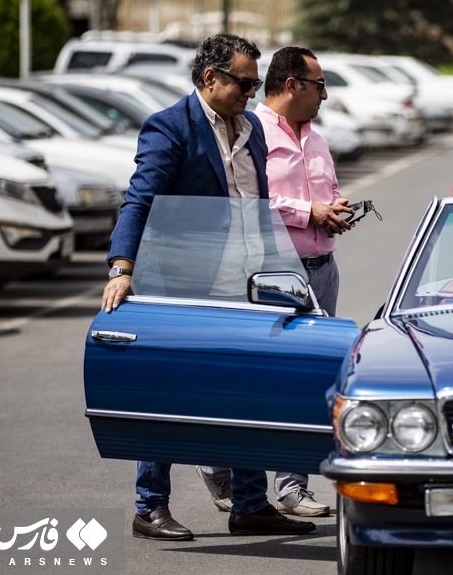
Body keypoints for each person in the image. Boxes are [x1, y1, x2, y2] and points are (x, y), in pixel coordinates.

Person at [101, 32, 316, 540]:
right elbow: (140, 200)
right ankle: (149, 507)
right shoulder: (169, 128)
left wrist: (281, 277)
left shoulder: (254, 130)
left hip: (246, 285)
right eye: (243, 82)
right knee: (165, 394)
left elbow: (258, 205)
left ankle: (249, 504)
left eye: (254, 82)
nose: (251, 91)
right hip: (181, 286)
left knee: (246, 393)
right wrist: (121, 267)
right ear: (209, 78)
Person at [196, 46, 353, 519]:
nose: (325, 95)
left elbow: (328, 190)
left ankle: (291, 486)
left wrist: (337, 208)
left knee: (311, 379)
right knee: (262, 379)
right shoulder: (251, 132)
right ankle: (219, 461)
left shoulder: (318, 140)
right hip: (274, 276)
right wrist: (309, 212)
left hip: (322, 271)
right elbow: (251, 203)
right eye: (319, 85)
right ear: (293, 86)